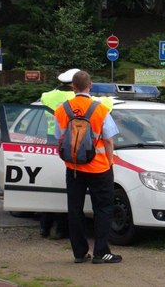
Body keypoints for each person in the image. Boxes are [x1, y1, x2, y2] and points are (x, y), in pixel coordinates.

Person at [54, 71, 122, 264]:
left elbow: (59, 138)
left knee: (74, 209)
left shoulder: (62, 109)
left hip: (74, 167)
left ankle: (79, 253)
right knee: (103, 208)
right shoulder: (100, 109)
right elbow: (108, 140)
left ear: (73, 87)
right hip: (99, 168)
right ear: (90, 86)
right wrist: (109, 162)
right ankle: (101, 252)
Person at [38, 68, 81, 240]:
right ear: (74, 84)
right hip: (68, 144)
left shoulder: (46, 96)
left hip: (48, 143)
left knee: (49, 186)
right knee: (66, 189)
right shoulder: (75, 98)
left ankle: (45, 226)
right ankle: (62, 229)